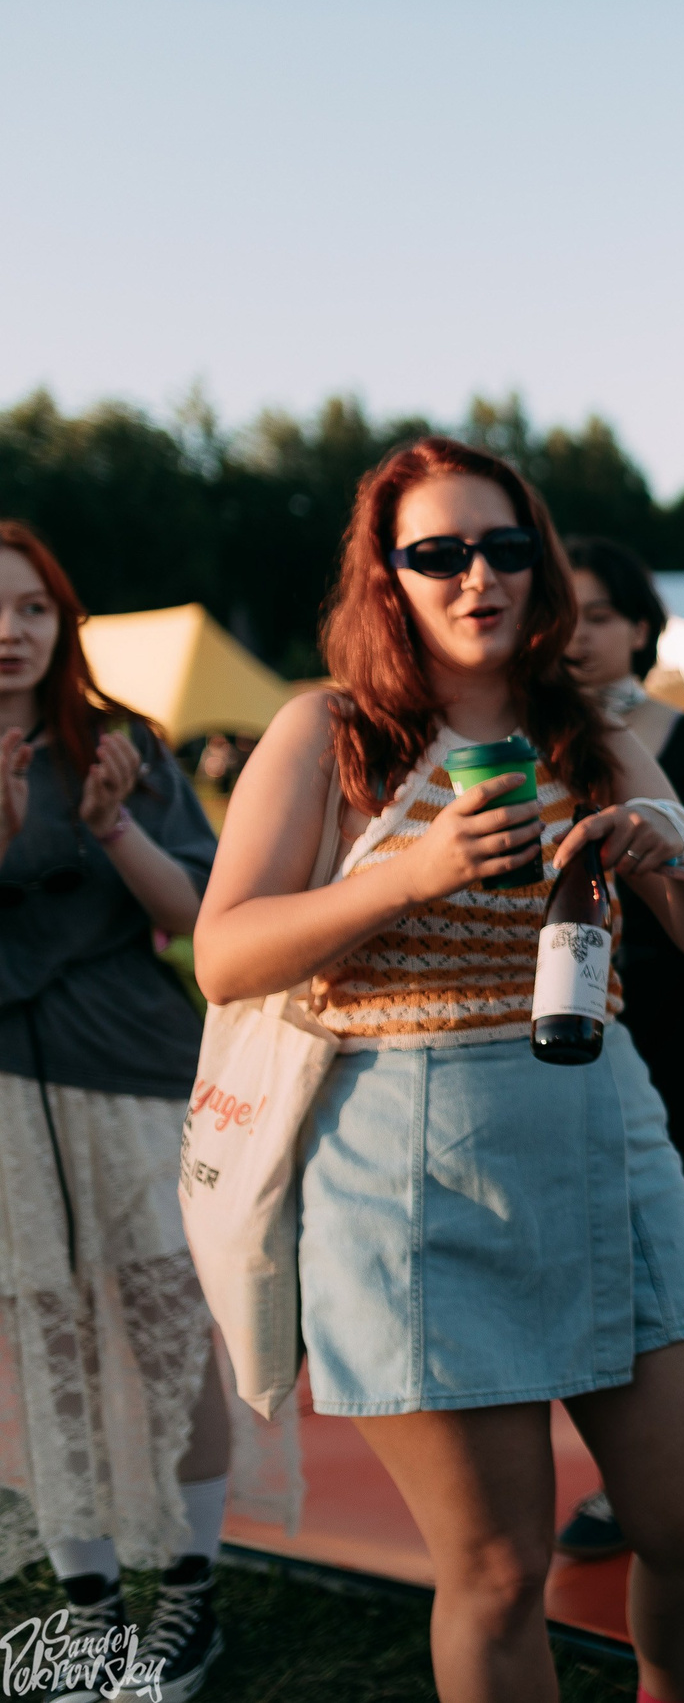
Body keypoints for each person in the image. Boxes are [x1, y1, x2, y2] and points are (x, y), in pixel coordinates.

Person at [192, 438, 684, 1703]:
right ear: (385, 576)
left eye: (503, 547)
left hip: (605, 1132)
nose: (476, 576)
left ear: (539, 563)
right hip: (402, 1164)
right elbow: (222, 954)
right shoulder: (327, 731)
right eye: (437, 553)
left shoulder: (591, 729)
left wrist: (670, 844)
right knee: (497, 1571)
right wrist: (413, 872)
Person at [0, 522, 232, 1702]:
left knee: (169, 1327)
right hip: (6, 1090)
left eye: (32, 607)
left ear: (64, 620)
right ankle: (87, 1601)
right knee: (46, 1340)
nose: (10, 630)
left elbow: (195, 916)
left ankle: (191, 1586)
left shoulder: (121, 740)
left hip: (134, 1068)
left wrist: (109, 824)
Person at [554, 534, 684, 1565]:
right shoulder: (526, 737)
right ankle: (622, 1462)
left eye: (598, 615)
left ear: (640, 626)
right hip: (564, 1008)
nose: (578, 635)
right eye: (563, 615)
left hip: (673, 1002)